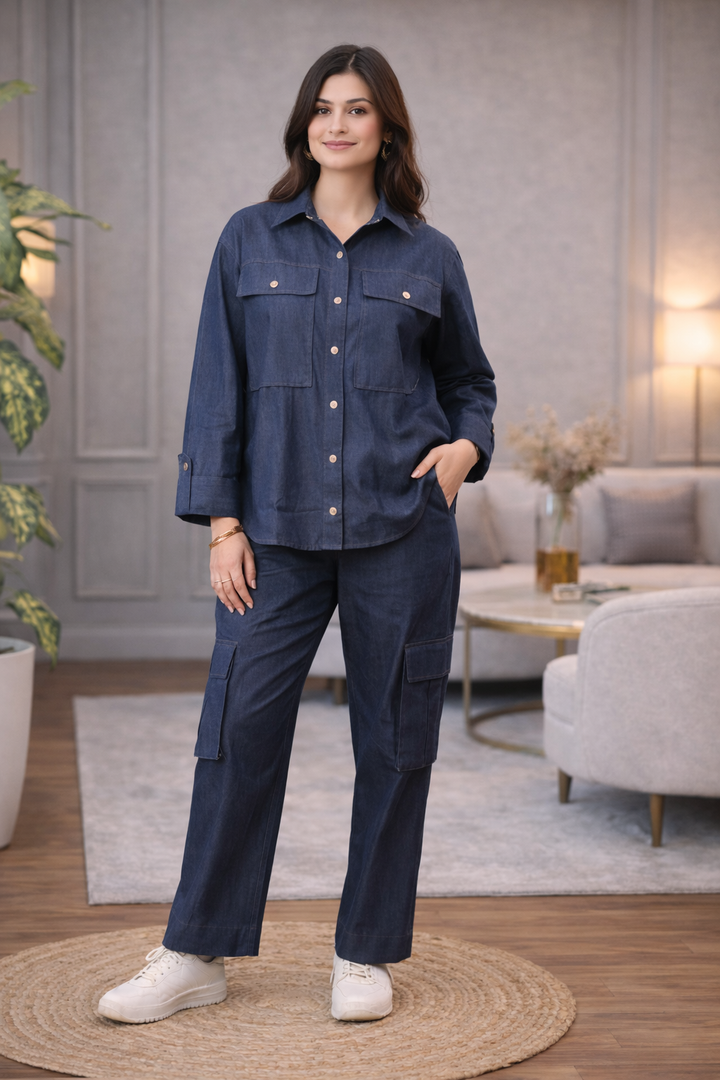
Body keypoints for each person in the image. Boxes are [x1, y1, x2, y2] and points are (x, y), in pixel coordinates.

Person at [97, 43, 495, 1026]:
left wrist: (463, 454)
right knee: (237, 733)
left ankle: (364, 953)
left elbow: (470, 387)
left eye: (357, 109)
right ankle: (196, 950)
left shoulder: (428, 257)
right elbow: (215, 385)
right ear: (303, 125)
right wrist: (221, 523)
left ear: (385, 129)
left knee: (395, 742)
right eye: (323, 107)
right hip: (269, 536)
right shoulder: (248, 240)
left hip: (402, 533)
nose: (337, 123)